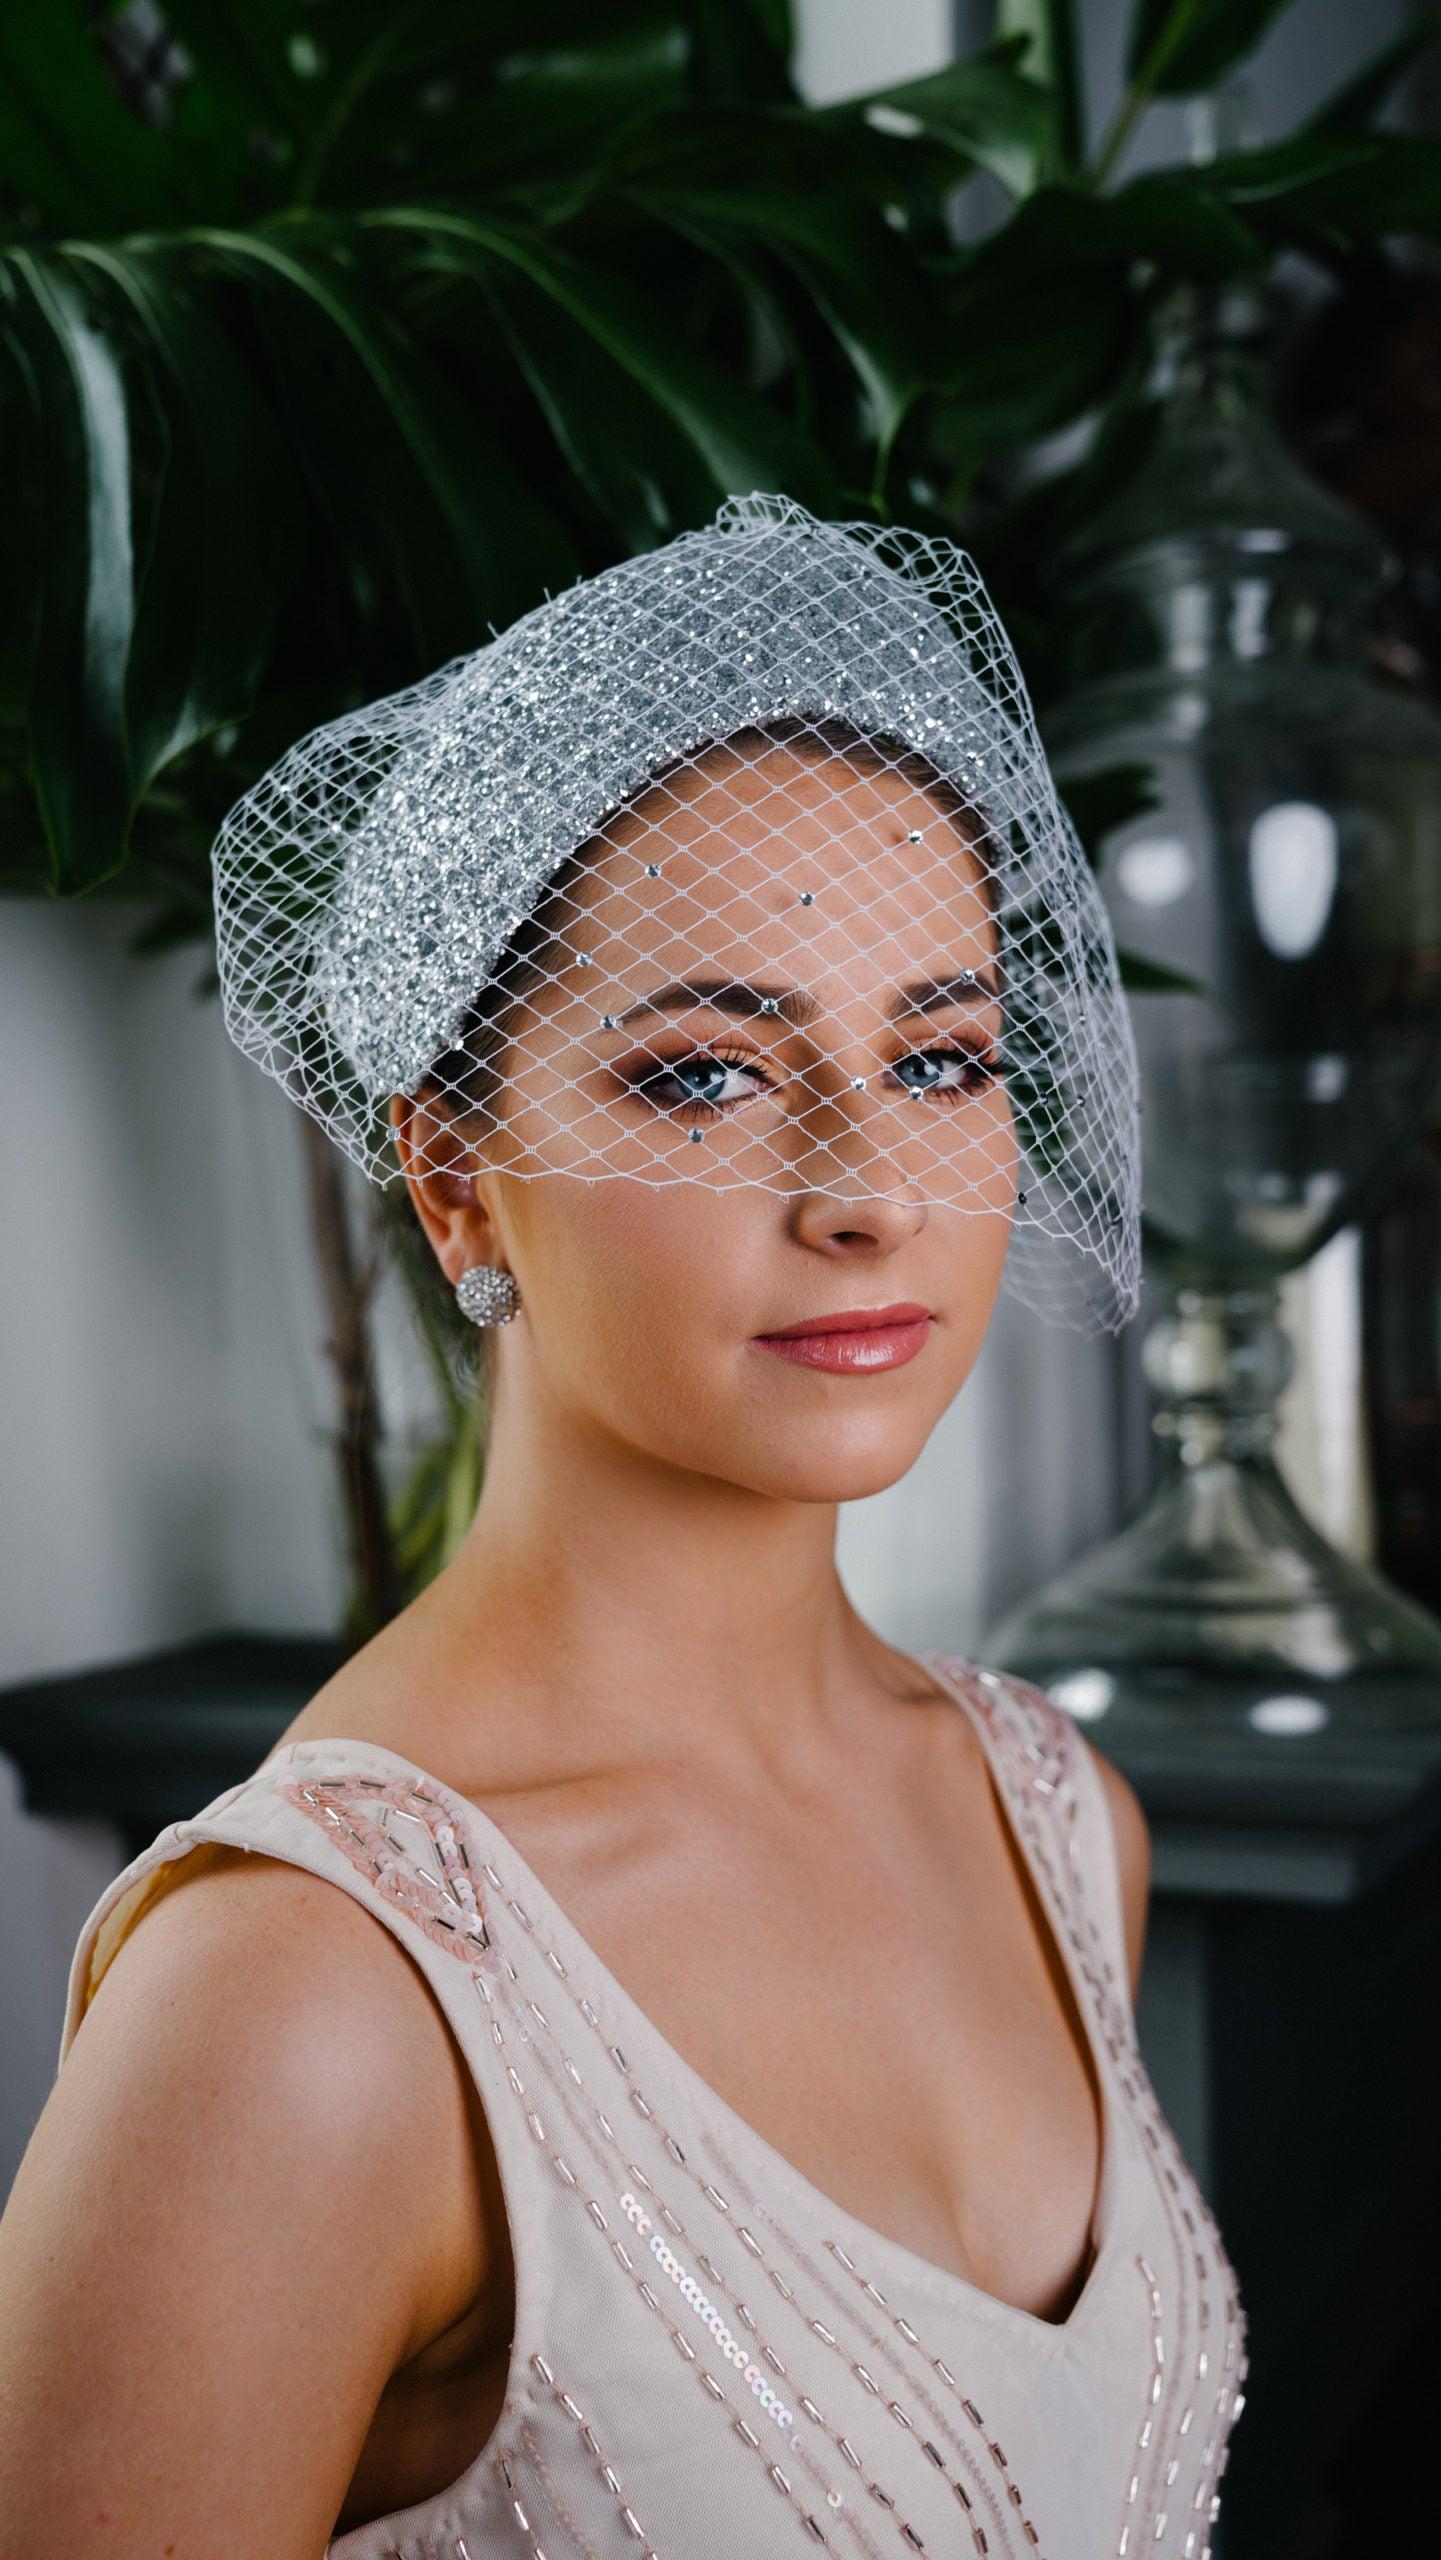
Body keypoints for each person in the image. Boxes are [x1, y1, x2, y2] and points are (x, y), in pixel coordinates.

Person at [0, 495, 1245, 2559]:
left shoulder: (1054, 1816)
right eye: (699, 1078)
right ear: (458, 1176)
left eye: (939, 1054)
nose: (867, 1186)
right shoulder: (305, 2000)